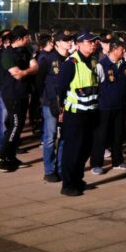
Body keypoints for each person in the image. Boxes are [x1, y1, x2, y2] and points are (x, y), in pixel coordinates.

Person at [56, 30, 100, 195]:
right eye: (89, 42)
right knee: (72, 150)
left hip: (90, 113)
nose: (93, 44)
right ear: (79, 44)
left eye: (94, 41)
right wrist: (60, 110)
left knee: (85, 149)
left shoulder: (93, 61)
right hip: (75, 115)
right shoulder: (71, 63)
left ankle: (77, 180)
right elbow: (60, 89)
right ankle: (68, 185)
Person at [0, 25, 38, 172]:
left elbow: (35, 67)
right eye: (26, 37)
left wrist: (25, 71)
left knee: (18, 126)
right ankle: (3, 157)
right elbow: (16, 74)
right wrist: (27, 71)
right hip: (12, 94)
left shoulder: (26, 51)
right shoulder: (7, 54)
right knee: (15, 125)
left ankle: (11, 156)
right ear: (20, 38)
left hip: (23, 92)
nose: (29, 39)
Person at [91, 38, 126, 174]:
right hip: (104, 107)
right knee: (101, 136)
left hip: (120, 106)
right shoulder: (101, 65)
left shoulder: (123, 64)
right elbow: (95, 86)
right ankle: (96, 164)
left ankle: (118, 161)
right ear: (114, 49)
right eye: (121, 49)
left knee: (118, 135)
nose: (124, 51)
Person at [36, 32, 72, 182]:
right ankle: (49, 170)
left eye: (70, 40)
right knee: (50, 137)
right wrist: (47, 98)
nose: (69, 42)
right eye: (65, 40)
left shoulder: (72, 59)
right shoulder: (48, 59)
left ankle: (61, 168)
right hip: (51, 103)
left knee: (64, 137)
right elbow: (39, 81)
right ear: (57, 43)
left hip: (69, 103)